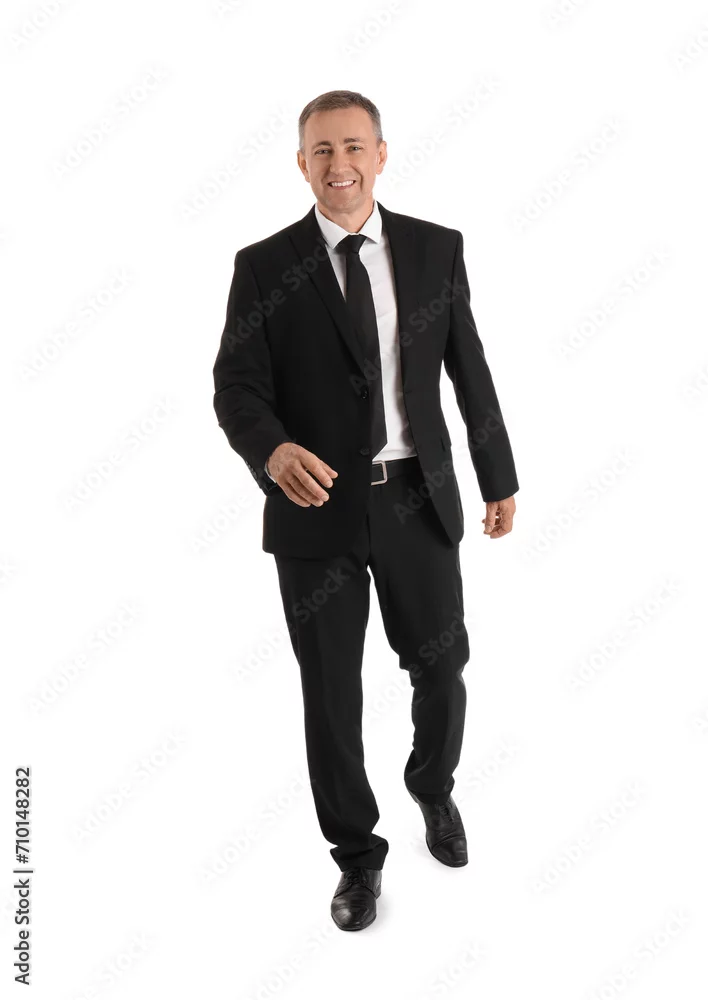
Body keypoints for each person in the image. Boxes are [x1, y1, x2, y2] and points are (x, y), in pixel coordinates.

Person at [212, 89, 519, 932]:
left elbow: (469, 369)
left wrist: (497, 474)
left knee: (442, 667)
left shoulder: (434, 249)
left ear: (381, 154)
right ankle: (356, 855)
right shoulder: (264, 266)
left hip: (418, 496)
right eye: (322, 151)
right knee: (330, 694)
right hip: (316, 509)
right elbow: (236, 387)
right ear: (301, 164)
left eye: (353, 147)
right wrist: (272, 451)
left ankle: (433, 785)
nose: (339, 164)